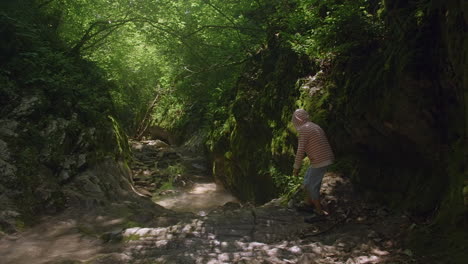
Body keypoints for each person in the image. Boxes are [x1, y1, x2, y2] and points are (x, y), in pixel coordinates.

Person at [292, 109, 335, 217]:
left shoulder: (304, 129)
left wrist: (296, 168)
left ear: (297, 120)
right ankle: (307, 203)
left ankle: (320, 212)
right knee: (307, 179)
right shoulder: (313, 125)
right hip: (324, 158)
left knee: (312, 186)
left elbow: (300, 150)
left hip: (320, 161)